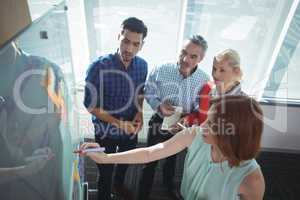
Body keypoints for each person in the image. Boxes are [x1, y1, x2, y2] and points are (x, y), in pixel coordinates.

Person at [79, 95, 265, 200]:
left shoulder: (252, 180)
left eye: (213, 124)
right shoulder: (195, 134)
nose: (203, 125)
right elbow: (151, 152)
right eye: (207, 118)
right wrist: (106, 158)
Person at [83, 17, 148, 200]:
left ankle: (118, 187)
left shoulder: (143, 66)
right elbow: (91, 106)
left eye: (136, 44)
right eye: (126, 41)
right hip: (105, 131)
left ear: (142, 45)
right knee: (105, 171)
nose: (129, 49)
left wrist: (139, 112)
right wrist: (120, 124)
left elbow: (140, 92)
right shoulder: (97, 67)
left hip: (130, 130)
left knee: (125, 164)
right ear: (118, 36)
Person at [140, 35, 209, 199]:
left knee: (172, 160)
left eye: (193, 56)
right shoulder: (161, 69)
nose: (185, 59)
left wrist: (189, 118)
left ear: (201, 58)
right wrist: (158, 105)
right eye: (183, 52)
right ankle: (142, 193)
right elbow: (148, 91)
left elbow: (202, 107)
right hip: (159, 121)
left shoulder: (204, 80)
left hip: (183, 125)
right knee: (149, 158)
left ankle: (168, 187)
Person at [185, 49, 245, 126]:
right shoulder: (207, 89)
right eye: (214, 68)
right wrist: (187, 120)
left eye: (222, 70)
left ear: (236, 71)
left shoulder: (243, 104)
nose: (215, 75)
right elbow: (197, 115)